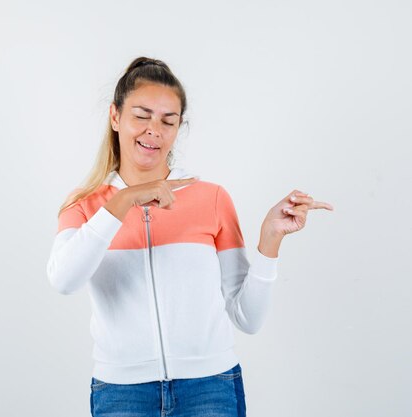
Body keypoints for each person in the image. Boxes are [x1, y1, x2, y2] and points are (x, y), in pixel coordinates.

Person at [46, 56, 334, 417]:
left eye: (168, 121)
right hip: (121, 393)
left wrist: (270, 238)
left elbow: (248, 318)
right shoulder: (85, 206)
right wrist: (122, 201)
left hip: (210, 387)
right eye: (142, 115)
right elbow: (63, 280)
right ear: (115, 116)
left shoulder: (210, 198)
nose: (155, 130)